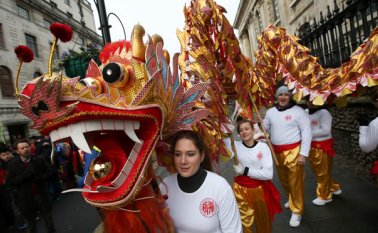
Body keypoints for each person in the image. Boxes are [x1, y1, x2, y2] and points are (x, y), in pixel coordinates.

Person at [160, 130, 242, 233]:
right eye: (178, 154)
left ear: (202, 156)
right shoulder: (165, 186)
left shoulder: (220, 186)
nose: (183, 161)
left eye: (190, 154)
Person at [263, 85, 312, 227]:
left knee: (295, 182)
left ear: (289, 97)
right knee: (284, 181)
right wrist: (255, 126)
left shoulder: (299, 111)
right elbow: (264, 128)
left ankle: (297, 210)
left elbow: (307, 133)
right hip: (277, 152)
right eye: (280, 95)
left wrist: (303, 154)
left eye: (285, 95)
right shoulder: (270, 112)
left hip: (294, 152)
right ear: (276, 97)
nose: (283, 97)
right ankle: (292, 199)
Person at [224, 118, 281, 233]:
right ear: (238, 134)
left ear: (253, 130)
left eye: (247, 129)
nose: (244, 132)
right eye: (241, 130)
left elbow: (268, 174)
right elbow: (222, 145)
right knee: (244, 222)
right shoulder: (235, 145)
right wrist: (225, 132)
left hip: (259, 190)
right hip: (240, 190)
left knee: (263, 221)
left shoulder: (263, 147)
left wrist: (245, 171)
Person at [6, 139, 56, 233]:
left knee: (49, 221)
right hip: (25, 199)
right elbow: (9, 182)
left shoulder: (39, 159)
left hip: (42, 195)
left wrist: (41, 178)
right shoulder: (13, 164)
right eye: (22, 148)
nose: (26, 149)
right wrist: (24, 176)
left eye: (27, 147)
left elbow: (50, 172)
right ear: (17, 151)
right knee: (31, 225)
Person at [307, 102, 342, 206]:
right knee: (318, 170)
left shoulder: (324, 113)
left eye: (314, 99)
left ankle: (324, 196)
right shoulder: (305, 112)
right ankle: (333, 187)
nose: (311, 102)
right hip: (311, 146)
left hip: (322, 147)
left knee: (322, 172)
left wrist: (307, 133)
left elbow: (326, 130)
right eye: (308, 99)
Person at [0, 144, 16, 233]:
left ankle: (10, 224)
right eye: (3, 155)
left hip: (7, 188)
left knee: (8, 207)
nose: (6, 156)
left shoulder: (9, 163)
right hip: (4, 189)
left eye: (7, 154)